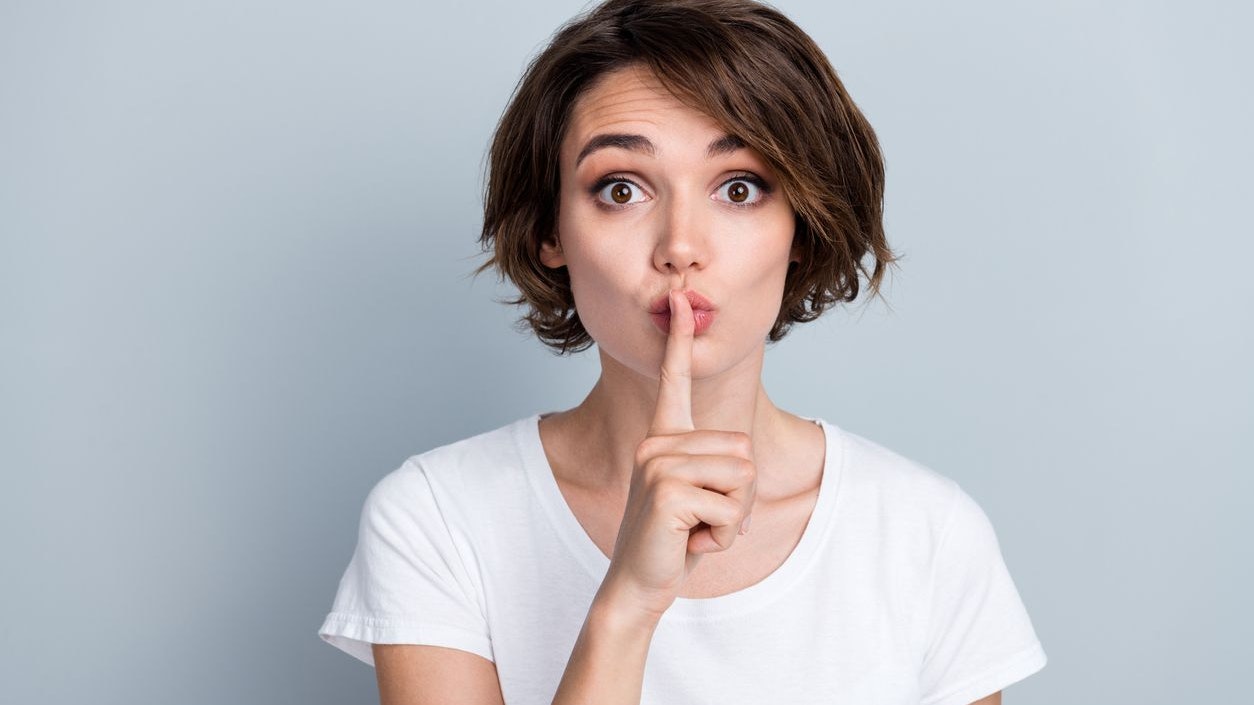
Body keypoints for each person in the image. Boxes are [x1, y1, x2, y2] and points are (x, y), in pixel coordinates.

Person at [317, 0, 1047, 703]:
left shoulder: (926, 532)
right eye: (621, 189)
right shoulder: (440, 516)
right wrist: (629, 600)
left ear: (803, 226)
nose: (681, 248)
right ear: (550, 231)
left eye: (739, 187)